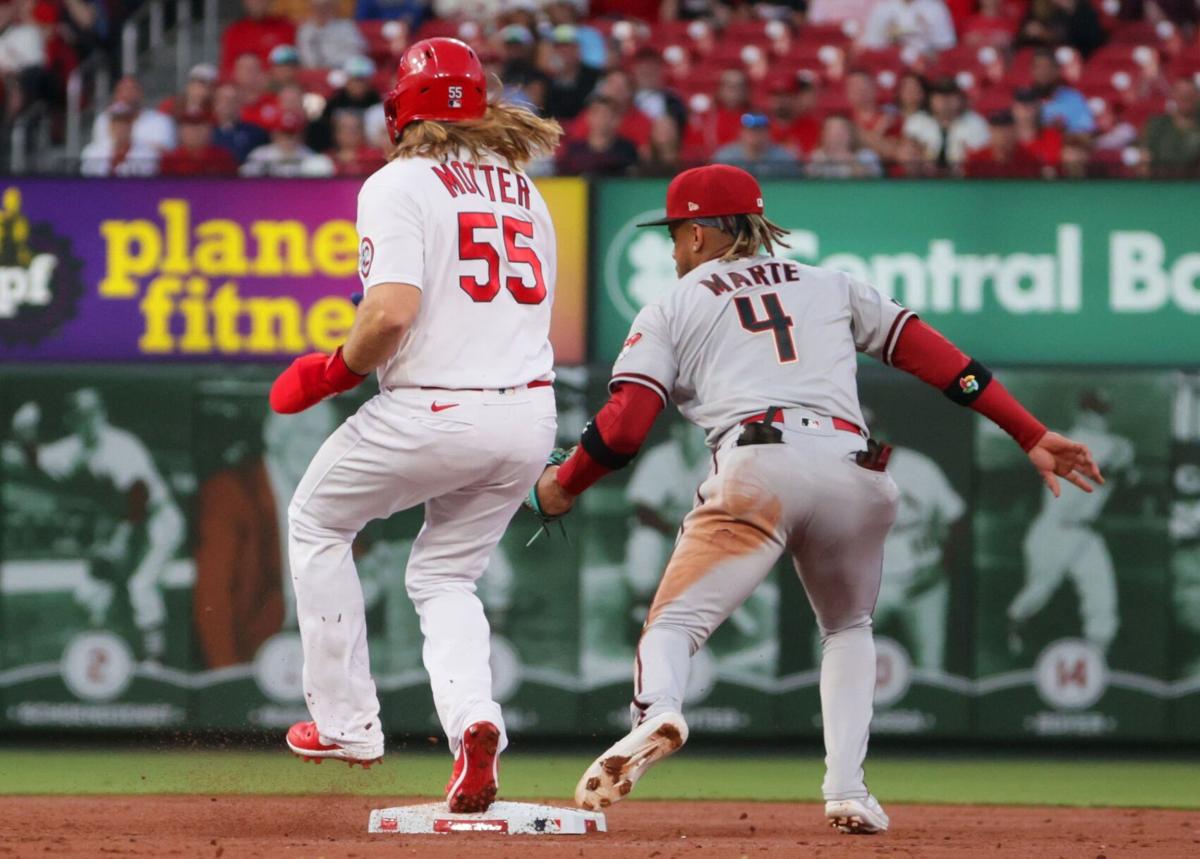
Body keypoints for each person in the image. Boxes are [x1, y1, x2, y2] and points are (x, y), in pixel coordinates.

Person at [527, 164, 1102, 833]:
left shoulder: (673, 305)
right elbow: (948, 365)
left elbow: (625, 428)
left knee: (675, 628)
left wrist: (563, 485)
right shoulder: (831, 283)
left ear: (705, 234)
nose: (674, 249)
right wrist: (1028, 431)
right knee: (849, 628)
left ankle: (658, 711)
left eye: (678, 234)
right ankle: (848, 790)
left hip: (759, 467)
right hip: (856, 472)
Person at [275, 37, 563, 815]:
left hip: (435, 405)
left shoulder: (398, 182)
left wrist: (334, 369)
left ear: (400, 110)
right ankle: (475, 721)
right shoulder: (523, 190)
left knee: (315, 520)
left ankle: (347, 724)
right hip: (529, 412)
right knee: (443, 576)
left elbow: (392, 312)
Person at [9, 388, 185, 663]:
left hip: (158, 521)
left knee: (141, 586)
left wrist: (119, 541)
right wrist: (25, 437)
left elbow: (138, 495)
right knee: (91, 593)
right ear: (71, 420)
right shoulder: (76, 448)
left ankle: (156, 662)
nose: (90, 420)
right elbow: (37, 463)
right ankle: (116, 655)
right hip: (126, 522)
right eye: (82, 415)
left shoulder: (120, 446)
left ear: (103, 413)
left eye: (94, 412)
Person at [1008, 391, 1131, 658]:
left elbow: (1121, 464)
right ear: (1080, 413)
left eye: (1102, 412)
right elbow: (1107, 466)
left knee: (1101, 592)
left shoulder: (1111, 443)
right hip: (1055, 531)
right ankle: (1017, 624)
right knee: (1038, 592)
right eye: (1093, 412)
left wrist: (1121, 459)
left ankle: (1098, 651)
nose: (1099, 418)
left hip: (1086, 532)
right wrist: (1119, 459)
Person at [902, 76, 989, 168]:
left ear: (960, 99)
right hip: (923, 178)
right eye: (939, 95)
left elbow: (980, 159)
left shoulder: (976, 123)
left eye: (950, 95)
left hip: (964, 179)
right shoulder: (916, 121)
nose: (945, 100)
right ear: (930, 99)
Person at [306, 55, 381, 152]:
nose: (359, 84)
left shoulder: (376, 101)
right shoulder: (335, 102)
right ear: (347, 80)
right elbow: (325, 127)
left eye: (362, 80)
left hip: (370, 149)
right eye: (355, 79)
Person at [90, 76, 176, 154]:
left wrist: (130, 145)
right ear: (116, 94)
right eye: (123, 90)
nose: (128, 94)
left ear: (141, 93)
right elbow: (100, 150)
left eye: (132, 89)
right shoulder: (104, 119)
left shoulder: (161, 120)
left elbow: (165, 152)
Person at [556, 95, 639, 175]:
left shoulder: (627, 150)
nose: (601, 120)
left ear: (617, 120)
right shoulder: (574, 150)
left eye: (606, 115)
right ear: (588, 117)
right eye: (596, 114)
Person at [241, 110, 332, 176]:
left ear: (300, 135)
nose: (288, 139)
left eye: (292, 134)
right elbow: (248, 181)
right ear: (274, 134)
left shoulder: (311, 157)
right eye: (284, 134)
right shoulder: (259, 155)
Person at [81, 101, 161, 176]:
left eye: (125, 123)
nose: (120, 128)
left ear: (131, 126)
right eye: (116, 123)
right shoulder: (92, 152)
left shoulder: (147, 154)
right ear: (110, 126)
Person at [1028, 47, 1095, 134]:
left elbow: (1087, 132)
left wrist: (1065, 129)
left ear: (1058, 71)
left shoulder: (1074, 99)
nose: (1043, 72)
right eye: (1038, 67)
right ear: (1032, 71)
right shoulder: (1023, 98)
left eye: (1048, 67)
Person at [713, 113, 802, 178]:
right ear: (742, 132)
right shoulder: (726, 157)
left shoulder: (783, 157)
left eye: (760, 130)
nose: (755, 134)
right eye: (751, 130)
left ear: (768, 133)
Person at [1142, 77, 1200, 176]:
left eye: (1190, 93)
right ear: (1173, 95)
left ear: (1197, 96)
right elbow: (1144, 157)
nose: (1185, 96)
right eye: (1180, 93)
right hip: (1159, 183)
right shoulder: (1157, 124)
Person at [542, 25, 601, 121]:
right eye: (558, 47)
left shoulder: (594, 76)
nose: (564, 51)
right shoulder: (545, 80)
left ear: (578, 48)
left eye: (569, 46)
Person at [221, 0, 296, 74]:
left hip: (279, 83)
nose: (257, 2)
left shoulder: (287, 28)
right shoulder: (234, 32)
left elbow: (297, 66)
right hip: (246, 84)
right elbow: (227, 71)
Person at [159, 110, 240, 176]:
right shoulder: (170, 159)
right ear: (180, 132)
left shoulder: (223, 157)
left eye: (200, 127)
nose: (195, 132)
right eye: (190, 127)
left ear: (209, 131)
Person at [963, 109, 1042, 177]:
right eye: (998, 130)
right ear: (990, 131)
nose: (1003, 135)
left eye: (1007, 130)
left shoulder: (1029, 159)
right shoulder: (977, 160)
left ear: (1015, 131)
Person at [860, 0, 957, 54]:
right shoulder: (882, 8)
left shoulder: (935, 7)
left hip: (925, 63)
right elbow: (872, 45)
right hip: (893, 64)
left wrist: (927, 30)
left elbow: (946, 46)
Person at [1017, 0, 1105, 57]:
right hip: (1051, 55)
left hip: (1085, 55)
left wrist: (1047, 35)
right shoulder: (1049, 12)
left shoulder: (1086, 10)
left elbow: (1089, 41)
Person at [806, 114, 883, 178]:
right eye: (831, 130)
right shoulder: (818, 156)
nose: (836, 135)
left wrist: (851, 162)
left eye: (841, 130)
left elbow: (875, 175)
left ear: (850, 133)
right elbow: (809, 176)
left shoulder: (865, 155)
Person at [212, 81, 269, 163]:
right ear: (215, 104)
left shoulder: (256, 133)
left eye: (233, 100)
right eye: (223, 99)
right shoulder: (205, 132)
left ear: (240, 103)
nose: (227, 103)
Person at [297, 0, 366, 68]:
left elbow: (357, 51)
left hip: (342, 70)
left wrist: (331, 64)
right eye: (317, 7)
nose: (321, 10)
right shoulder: (305, 30)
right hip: (313, 72)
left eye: (326, 6)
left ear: (333, 8)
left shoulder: (346, 27)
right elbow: (305, 55)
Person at [327, 108, 385, 175]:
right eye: (345, 128)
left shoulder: (376, 157)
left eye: (355, 127)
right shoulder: (326, 160)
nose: (351, 132)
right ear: (336, 133)